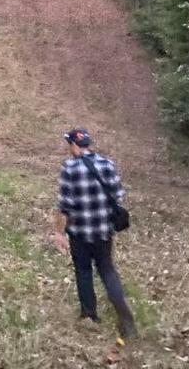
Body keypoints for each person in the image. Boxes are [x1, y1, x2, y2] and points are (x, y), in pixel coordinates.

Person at [53, 127, 137, 342]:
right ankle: (124, 316)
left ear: (73, 145)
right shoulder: (107, 164)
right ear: (88, 144)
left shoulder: (69, 168)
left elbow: (65, 206)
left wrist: (59, 233)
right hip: (103, 231)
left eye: (69, 144)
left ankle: (89, 314)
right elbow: (118, 196)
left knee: (83, 271)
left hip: (80, 232)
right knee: (107, 270)